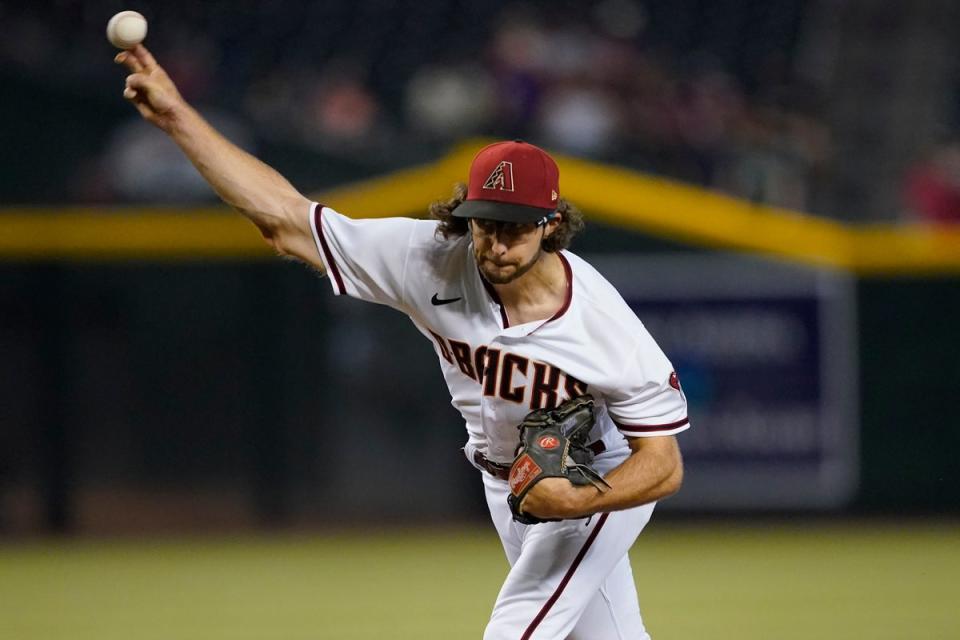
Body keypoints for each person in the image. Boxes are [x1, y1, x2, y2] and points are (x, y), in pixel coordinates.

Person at [115, 44, 689, 640]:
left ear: (550, 224)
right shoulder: (430, 259)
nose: (494, 245)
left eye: (514, 228)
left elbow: (664, 464)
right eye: (485, 222)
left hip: (591, 476)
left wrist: (573, 501)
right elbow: (285, 219)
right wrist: (179, 117)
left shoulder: (601, 325)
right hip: (505, 481)